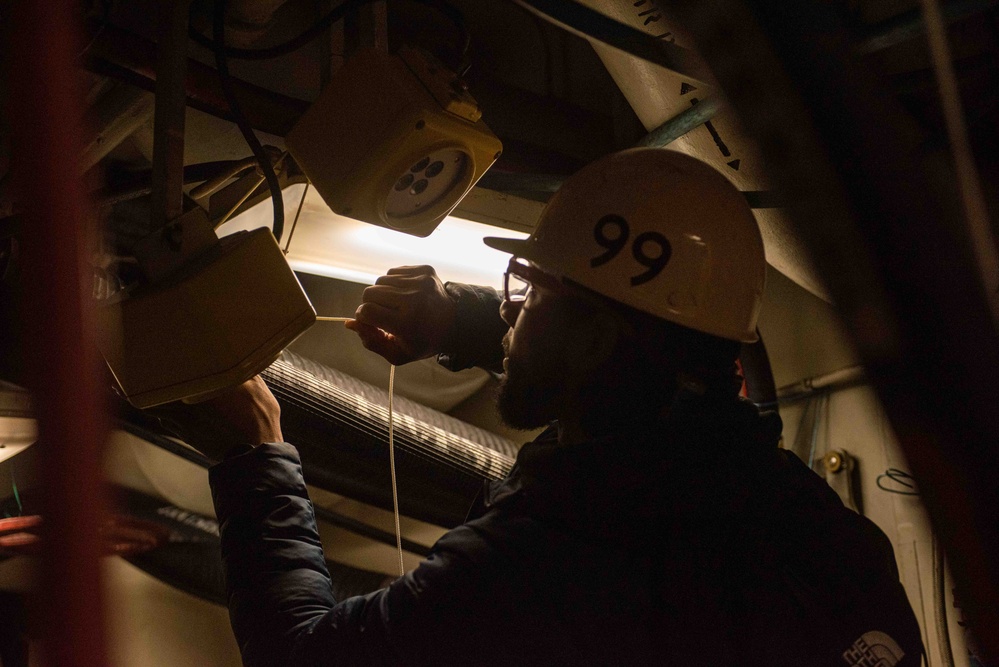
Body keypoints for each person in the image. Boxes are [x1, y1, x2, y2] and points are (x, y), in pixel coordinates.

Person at [184, 149, 923, 666]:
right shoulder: (803, 521)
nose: (511, 314)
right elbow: (623, 385)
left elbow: (300, 656)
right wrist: (456, 323)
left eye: (529, 295)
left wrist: (255, 452)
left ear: (594, 337)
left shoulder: (535, 569)